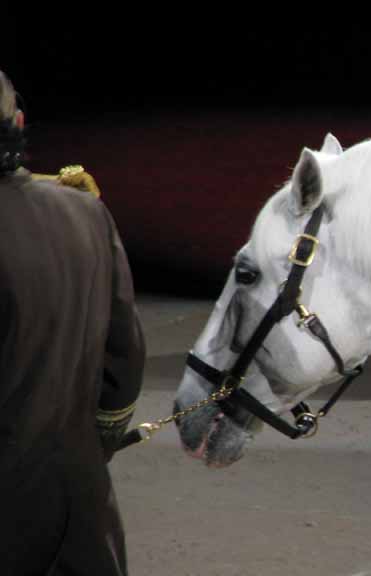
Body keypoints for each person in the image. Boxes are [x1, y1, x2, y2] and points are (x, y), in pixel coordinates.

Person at [0, 70, 145, 575]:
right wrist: (94, 446)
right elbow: (124, 359)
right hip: (78, 504)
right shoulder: (87, 213)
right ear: (18, 123)